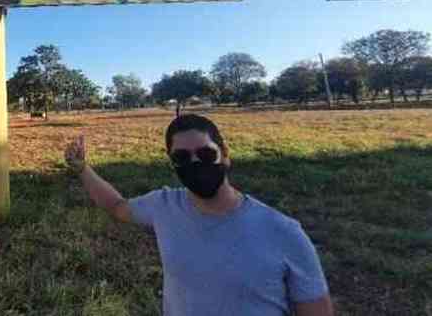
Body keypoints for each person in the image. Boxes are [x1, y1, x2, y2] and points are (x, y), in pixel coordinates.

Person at [64, 114, 334, 316]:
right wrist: (82, 169)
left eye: (205, 154)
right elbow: (116, 206)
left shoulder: (283, 231)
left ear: (225, 155)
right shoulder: (163, 206)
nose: (195, 163)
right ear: (172, 163)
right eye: (182, 158)